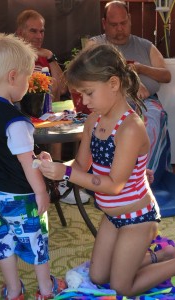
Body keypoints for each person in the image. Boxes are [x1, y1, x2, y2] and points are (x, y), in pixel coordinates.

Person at [38, 43, 175, 297]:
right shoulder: (94, 120)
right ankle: (160, 254)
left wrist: (65, 174)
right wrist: (52, 165)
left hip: (138, 218)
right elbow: (81, 165)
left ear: (113, 84)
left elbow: (114, 185)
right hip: (112, 216)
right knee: (99, 276)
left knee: (122, 286)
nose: (84, 101)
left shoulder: (130, 128)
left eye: (88, 93)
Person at [0, 33, 67, 300]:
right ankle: (46, 289)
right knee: (35, 240)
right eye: (28, 78)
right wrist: (41, 191)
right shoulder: (16, 121)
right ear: (13, 77)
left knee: (4, 242)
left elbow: (2, 150)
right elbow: (25, 162)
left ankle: (14, 290)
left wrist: (39, 156)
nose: (29, 83)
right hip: (20, 196)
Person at [87, 0, 172, 186]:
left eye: (123, 23)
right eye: (113, 24)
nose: (119, 29)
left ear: (130, 20)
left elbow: (166, 75)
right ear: (104, 24)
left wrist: (141, 69)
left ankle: (141, 179)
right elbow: (84, 74)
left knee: (152, 119)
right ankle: (112, 179)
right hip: (108, 106)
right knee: (99, 124)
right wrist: (130, 84)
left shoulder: (145, 45)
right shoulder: (95, 45)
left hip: (146, 103)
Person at [16, 9, 67, 102]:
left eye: (41, 31)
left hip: (47, 112)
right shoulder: (11, 56)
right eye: (33, 31)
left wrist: (50, 57)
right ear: (20, 33)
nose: (39, 36)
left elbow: (62, 89)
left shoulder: (44, 55)